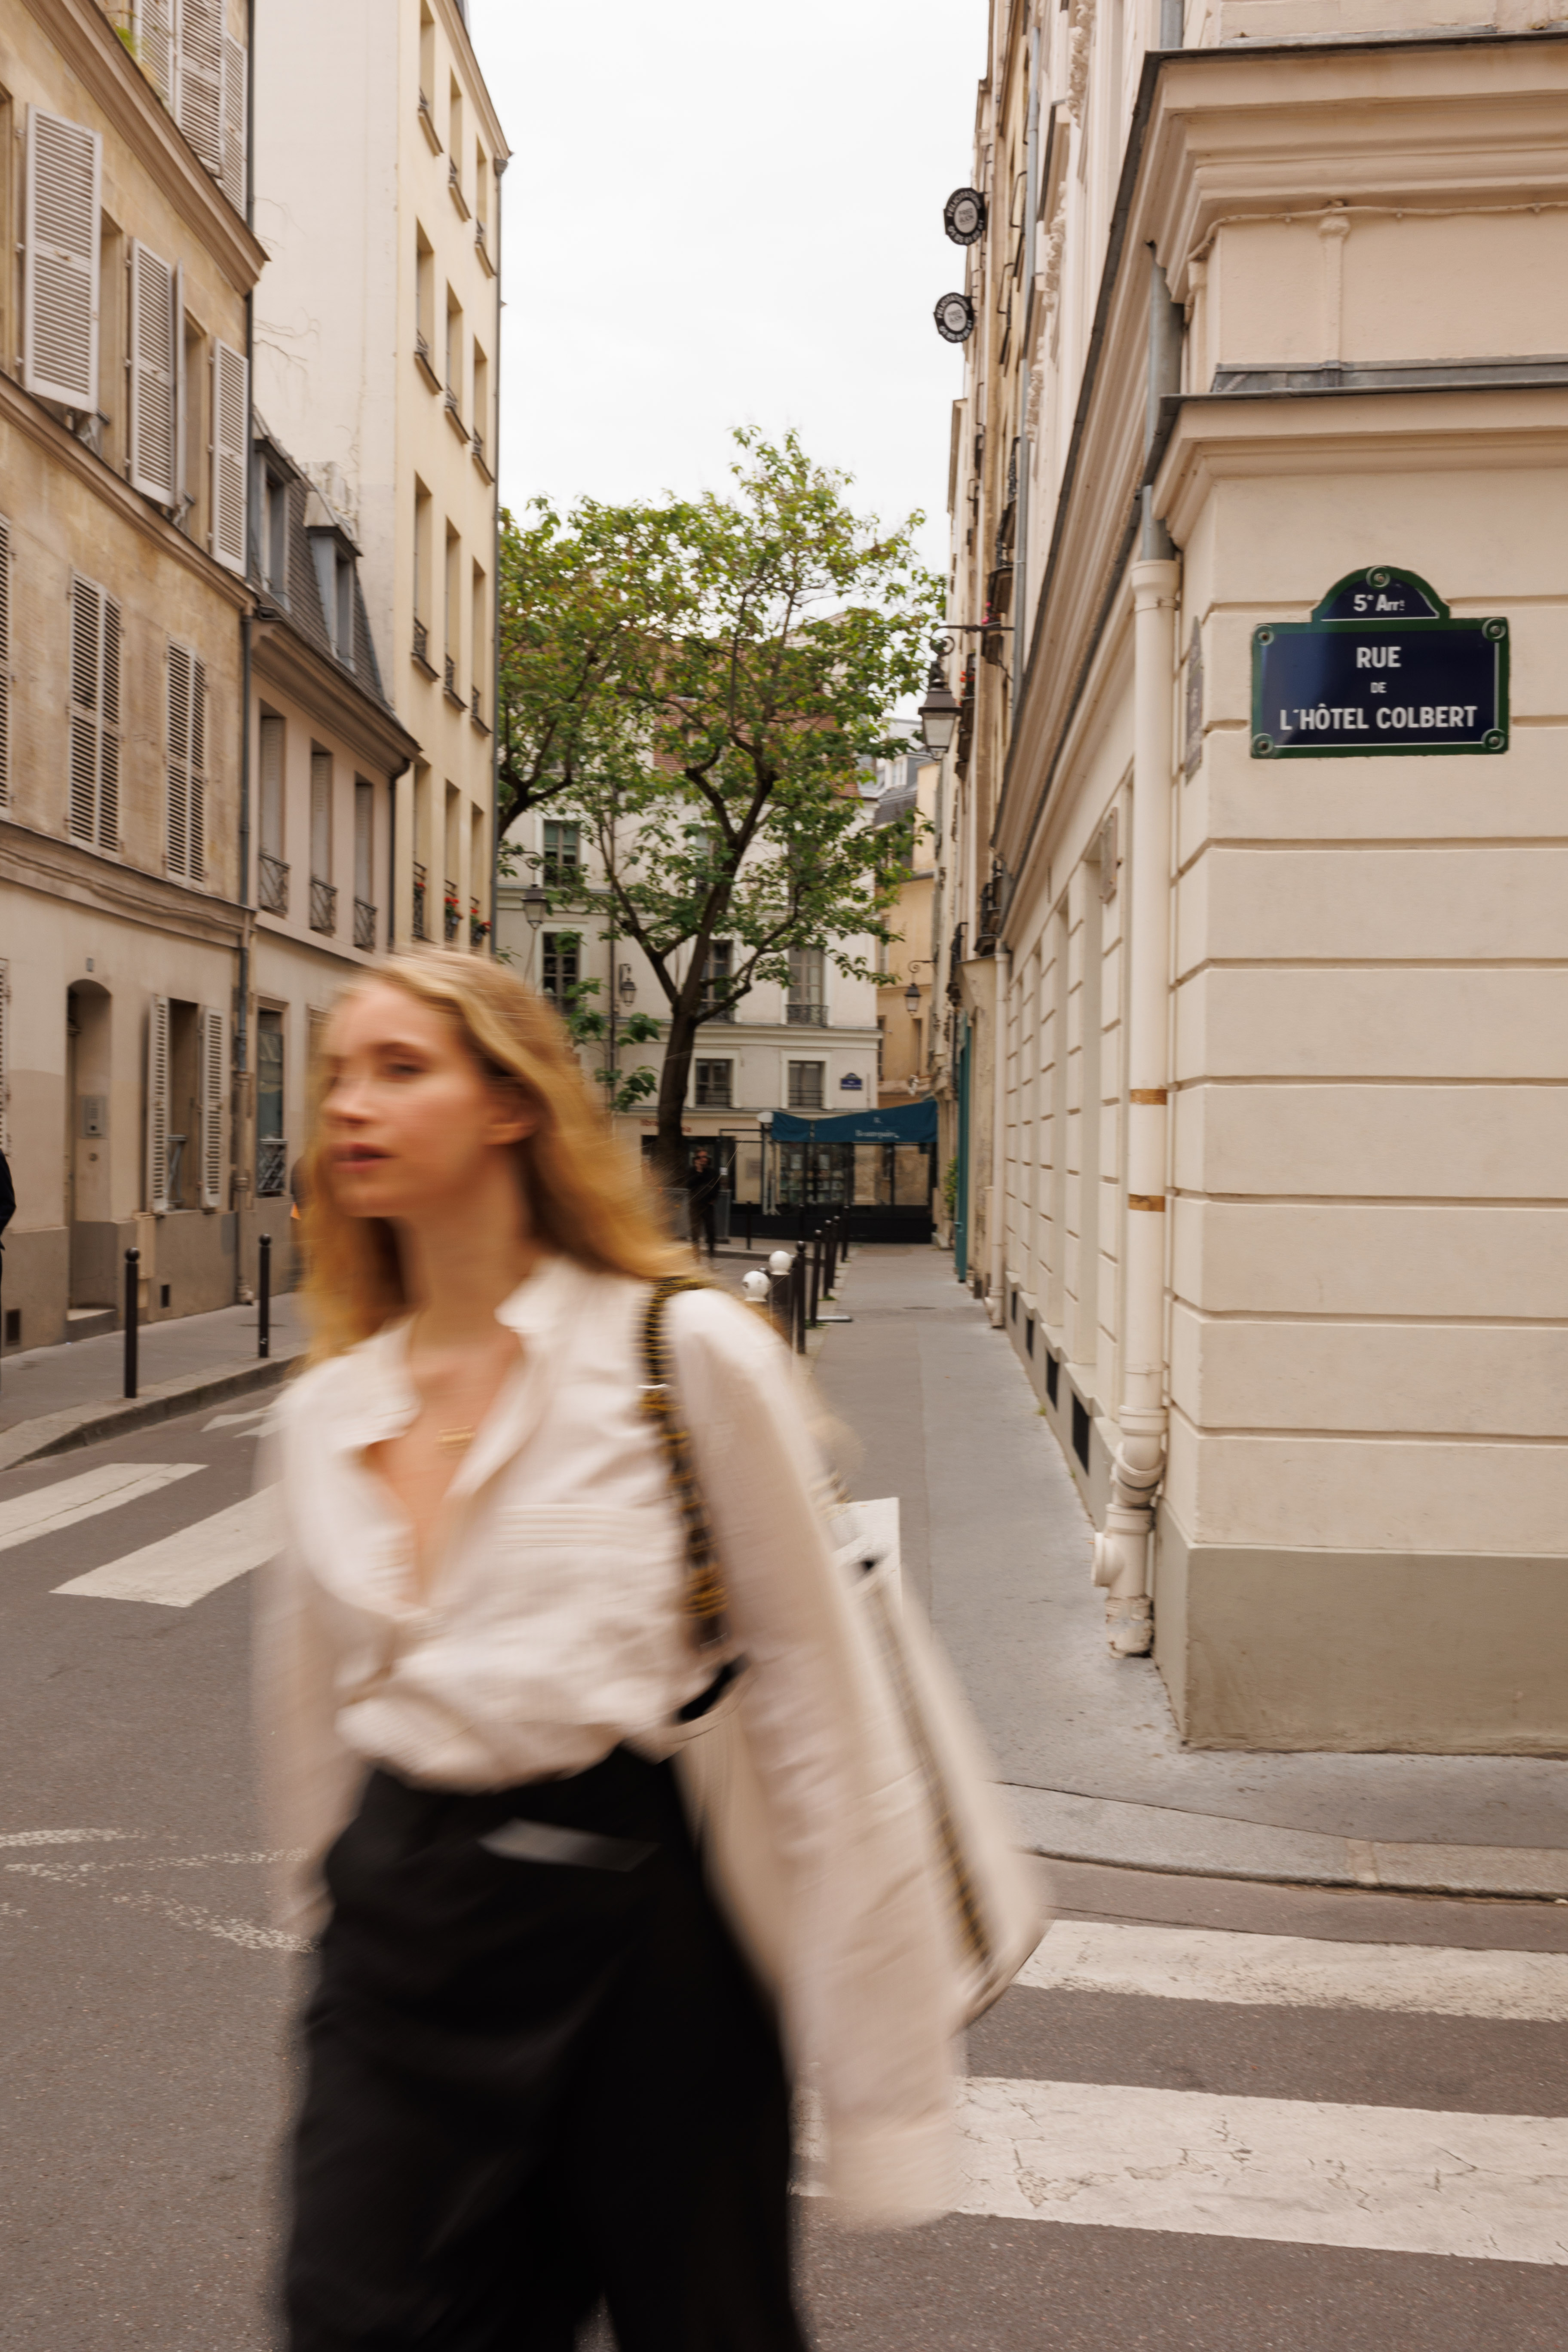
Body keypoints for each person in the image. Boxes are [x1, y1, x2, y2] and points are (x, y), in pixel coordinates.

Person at [257, 948, 959, 2352]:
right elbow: (312, 1731)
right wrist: (327, 1940)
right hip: (401, 1936)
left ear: (511, 1103)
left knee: (702, 2327)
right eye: (339, 1073)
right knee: (351, 2317)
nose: (349, 1105)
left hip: (642, 1940)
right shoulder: (326, 1411)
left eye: (401, 1068)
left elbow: (825, 1711)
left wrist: (882, 2089)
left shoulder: (682, 1352)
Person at [684, 1143, 720, 1262]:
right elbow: (689, 1185)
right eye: (701, 1157)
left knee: (711, 1232)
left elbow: (717, 1186)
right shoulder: (691, 1171)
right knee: (696, 1233)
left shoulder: (712, 1172)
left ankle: (711, 1257)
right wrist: (699, 1173)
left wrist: (714, 1198)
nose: (704, 1159)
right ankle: (696, 1259)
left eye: (705, 1157)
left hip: (708, 1207)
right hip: (695, 1207)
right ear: (696, 1159)